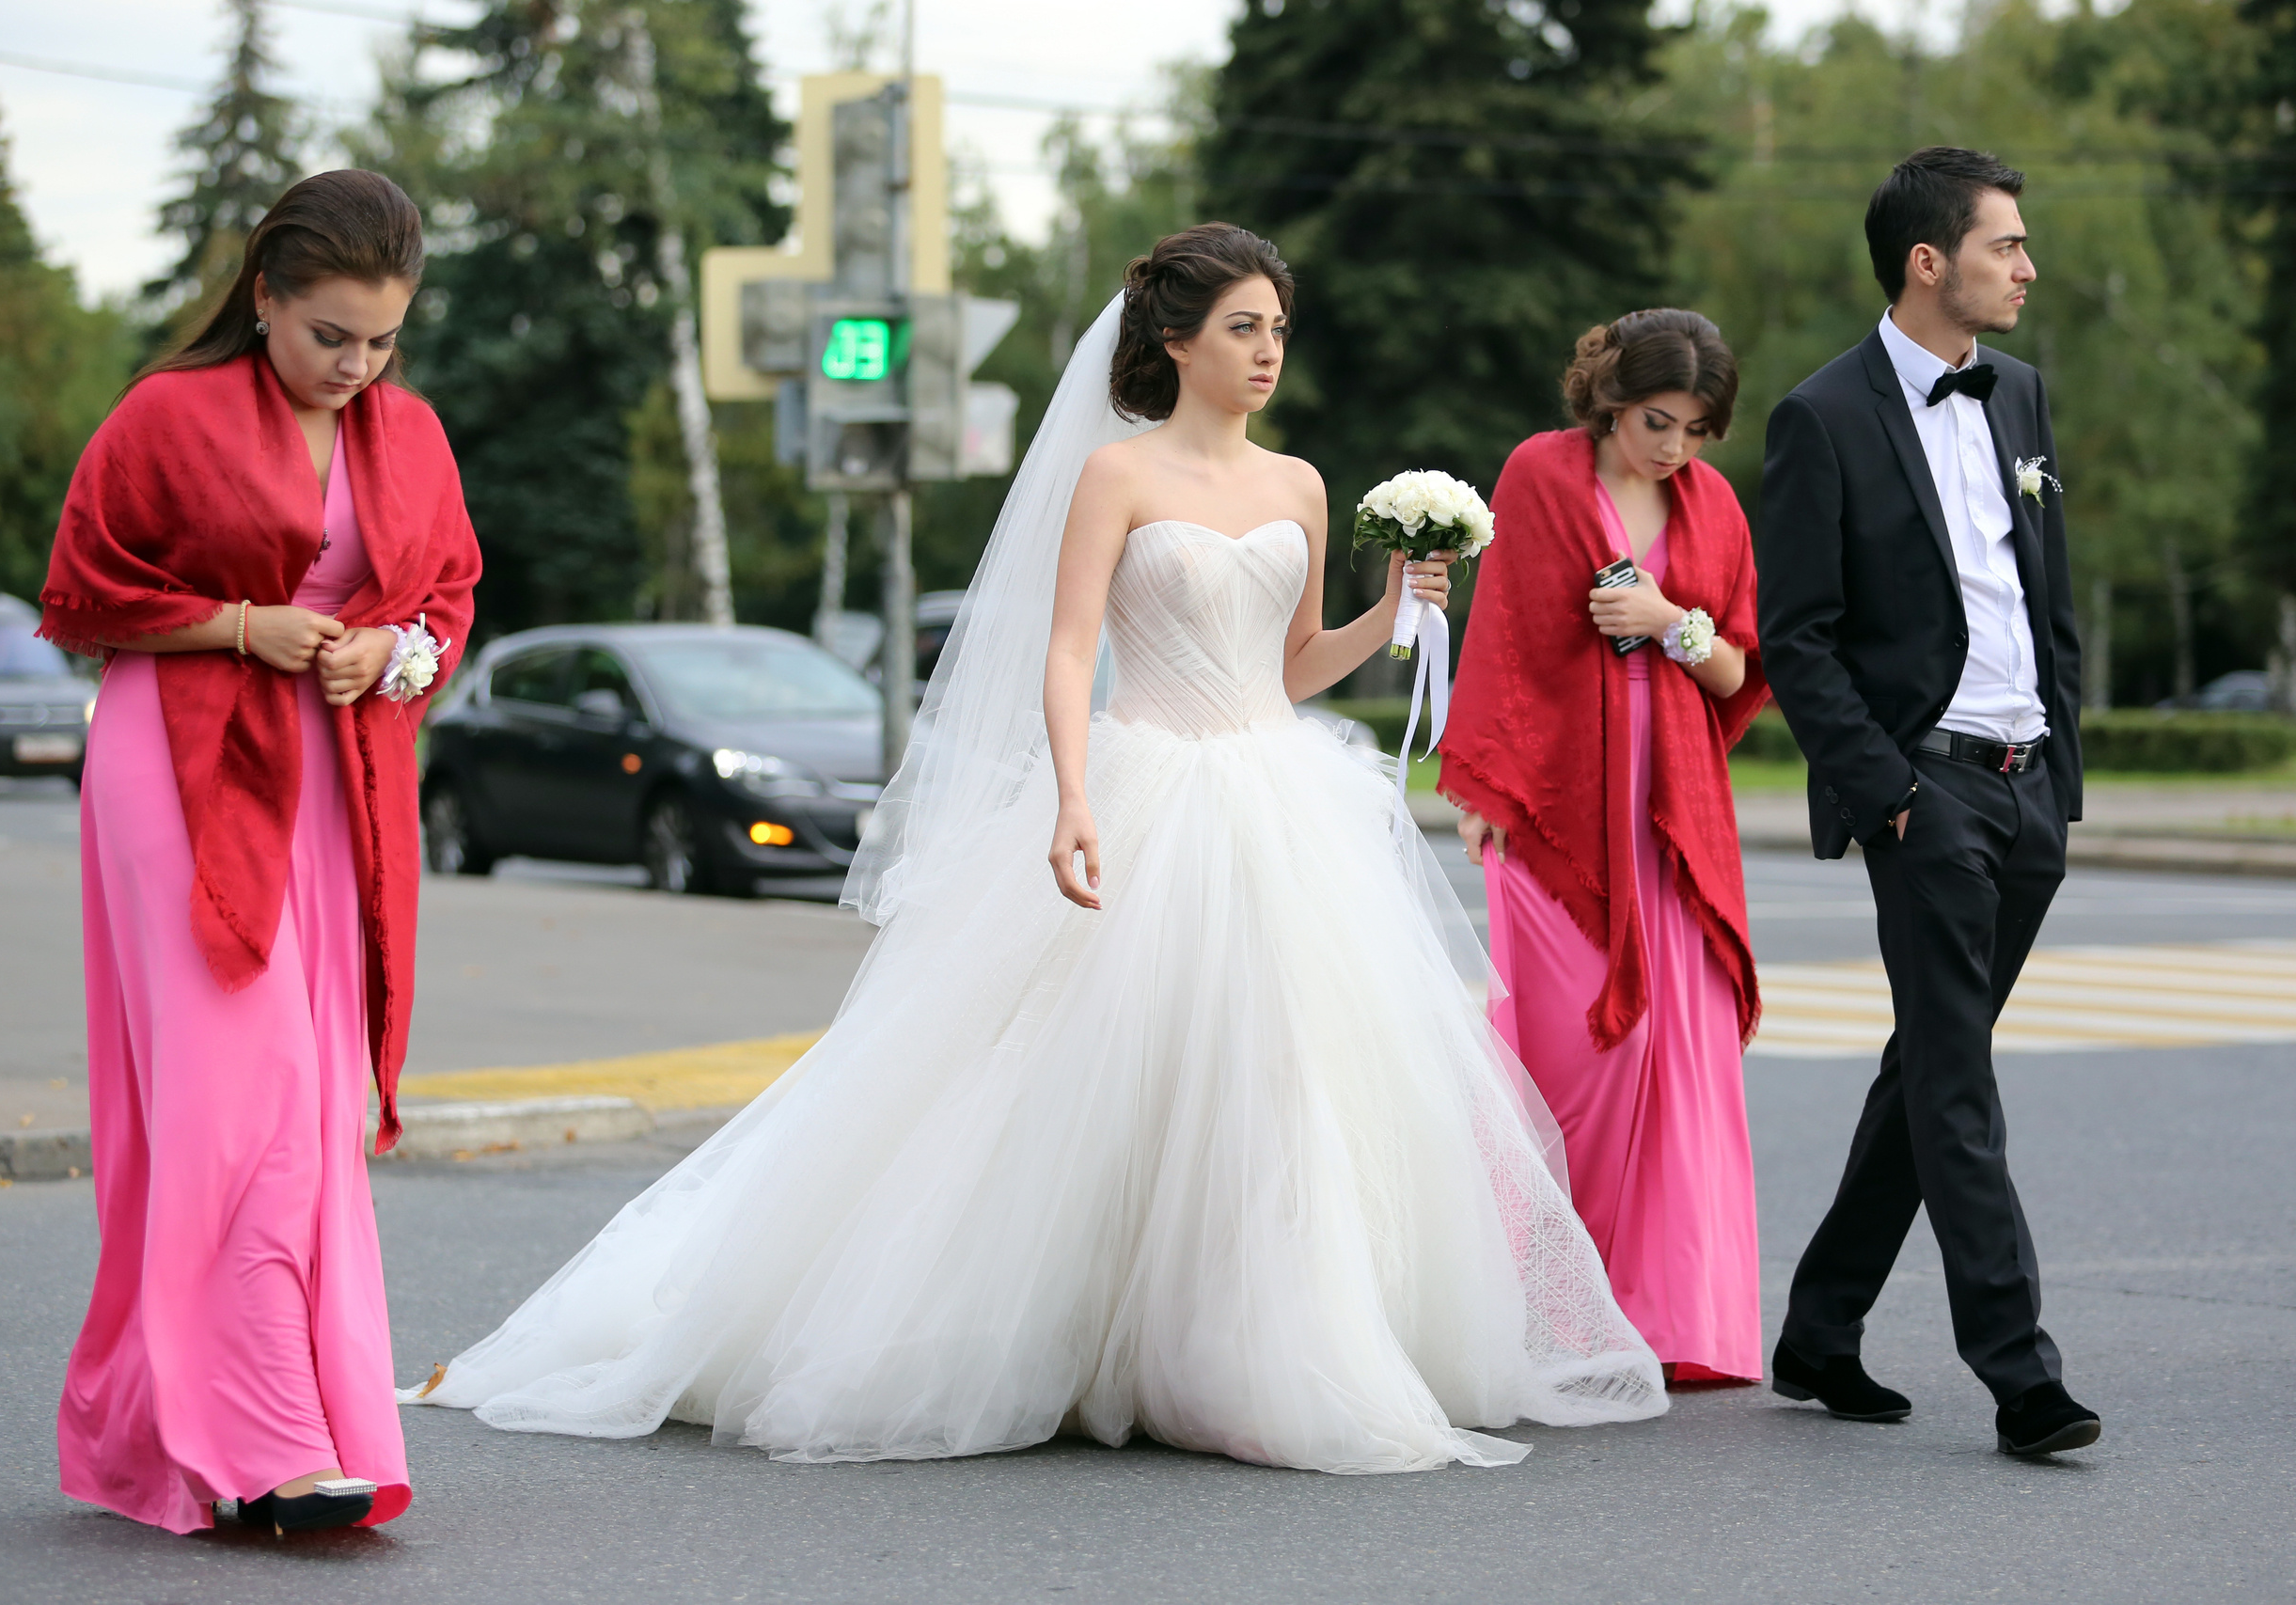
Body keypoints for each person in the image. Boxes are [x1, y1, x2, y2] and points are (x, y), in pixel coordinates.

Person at [404, 224, 1665, 1473]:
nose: (1268, 349)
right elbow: (1070, 648)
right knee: (1084, 1078)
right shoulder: (1116, 474)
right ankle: (1074, 1330)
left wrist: (1394, 609)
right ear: (1175, 339)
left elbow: (1289, 669)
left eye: (1278, 326)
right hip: (1142, 784)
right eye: (1243, 326)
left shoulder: (1298, 484)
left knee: (1280, 1079)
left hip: (1276, 798)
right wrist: (1071, 792)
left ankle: (1253, 1339)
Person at [41, 169, 481, 1534]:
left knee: (304, 1105)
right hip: (176, 767)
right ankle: (266, 1438)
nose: (357, 367)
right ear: (266, 296)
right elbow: (80, 597)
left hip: (332, 782)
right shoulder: (165, 415)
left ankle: (176, 1419)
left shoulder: (408, 434)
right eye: (329, 335)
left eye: (382, 340)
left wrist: (381, 647)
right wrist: (240, 626)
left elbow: (448, 604)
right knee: (244, 1094)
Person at [1754, 148, 2099, 1456]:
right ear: (1927, 262)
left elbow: (2046, 599)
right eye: (2006, 243)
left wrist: (2062, 773)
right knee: (1958, 1080)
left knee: (1926, 1066)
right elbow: (1801, 636)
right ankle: (2022, 1372)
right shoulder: (1822, 416)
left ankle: (1820, 1329)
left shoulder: (2020, 394)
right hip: (1928, 795)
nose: (2025, 265)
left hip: (2026, 792)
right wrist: (1888, 789)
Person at [1439, 310, 1772, 1385]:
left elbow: (1735, 674)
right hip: (1556, 796)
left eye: (1693, 428)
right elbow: (1504, 634)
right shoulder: (1541, 472)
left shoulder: (1712, 505)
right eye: (1654, 421)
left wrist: (1667, 618)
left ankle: (1672, 1324)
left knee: (1682, 1060)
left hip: (1674, 803)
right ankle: (1549, 1312)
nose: (1671, 448)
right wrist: (1484, 780)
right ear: (1610, 400)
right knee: (1574, 1050)